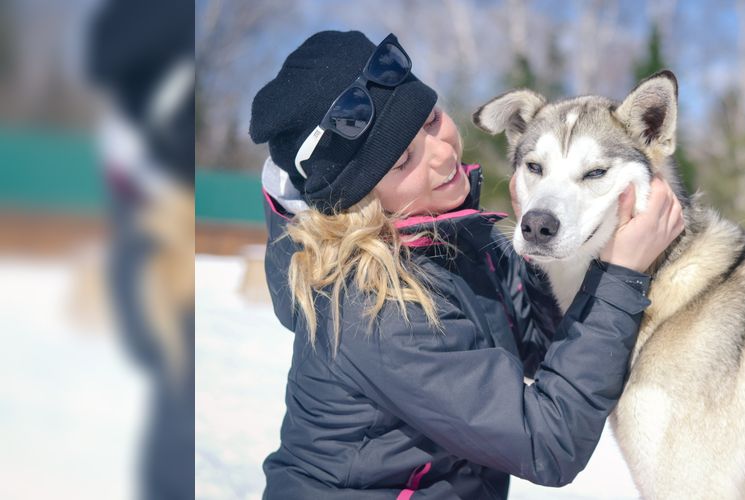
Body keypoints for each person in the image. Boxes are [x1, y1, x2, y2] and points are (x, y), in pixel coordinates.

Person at [249, 31, 684, 499]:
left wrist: (553, 241)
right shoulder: (370, 304)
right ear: (359, 198)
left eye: (432, 119)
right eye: (403, 161)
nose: (442, 154)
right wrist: (619, 277)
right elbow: (546, 442)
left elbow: (546, 343)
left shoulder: (451, 242)